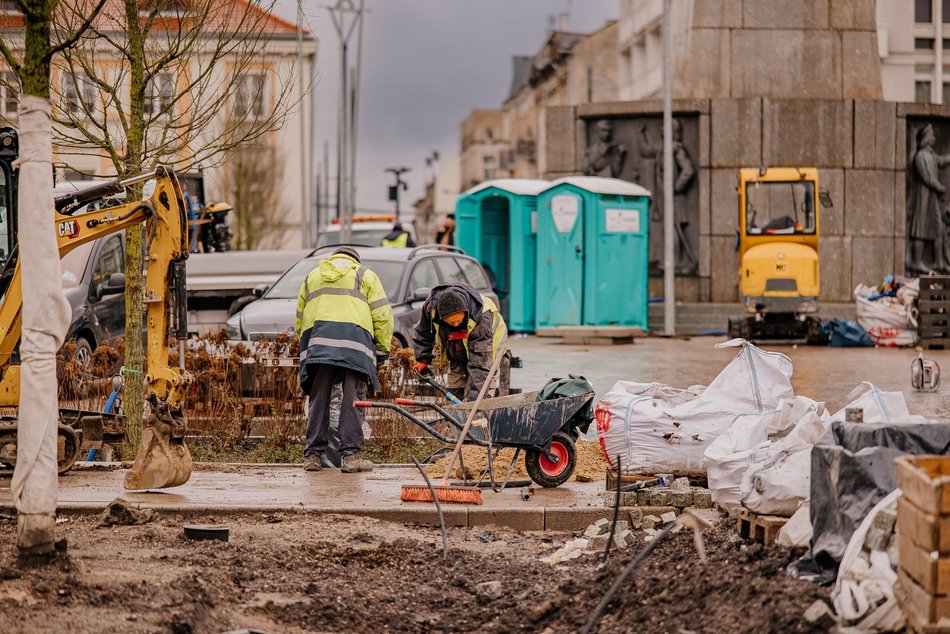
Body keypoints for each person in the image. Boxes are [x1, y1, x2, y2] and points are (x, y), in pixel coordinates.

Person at [295, 246, 393, 472]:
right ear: (354, 260)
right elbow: (382, 315)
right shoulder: (364, 275)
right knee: (352, 399)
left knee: (318, 398)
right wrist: (382, 349)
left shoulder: (313, 276)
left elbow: (300, 317)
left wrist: (306, 345)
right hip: (355, 346)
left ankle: (312, 456)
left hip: (318, 343)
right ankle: (351, 458)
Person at [411, 284, 507, 402]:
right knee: (455, 391)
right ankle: (455, 414)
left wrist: (474, 403)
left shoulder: (481, 318)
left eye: (458, 320)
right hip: (458, 345)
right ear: (441, 317)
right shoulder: (431, 308)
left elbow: (480, 365)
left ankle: (480, 415)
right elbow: (423, 332)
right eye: (451, 322)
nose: (456, 324)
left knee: (482, 390)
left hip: (489, 342)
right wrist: (422, 359)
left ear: (464, 312)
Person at [908, 123, 950, 274]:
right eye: (931, 136)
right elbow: (928, 178)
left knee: (938, 228)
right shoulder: (920, 156)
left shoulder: (931, 155)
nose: (934, 138)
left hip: (933, 200)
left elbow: (942, 161)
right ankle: (916, 262)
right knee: (920, 228)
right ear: (925, 138)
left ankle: (939, 262)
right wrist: (941, 188)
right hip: (923, 199)